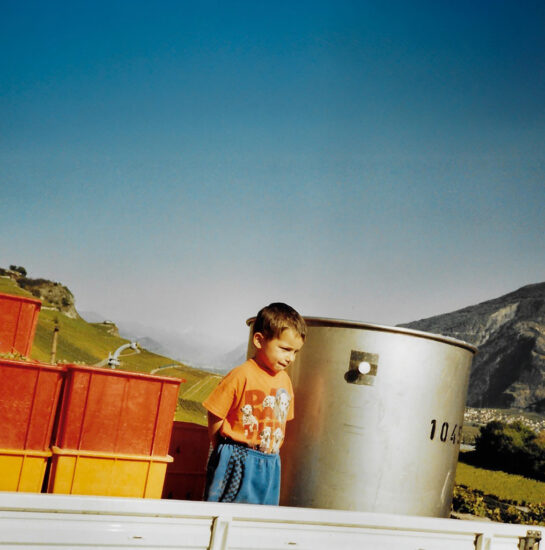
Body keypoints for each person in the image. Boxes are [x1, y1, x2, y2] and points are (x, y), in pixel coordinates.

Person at [202, 302, 306, 505]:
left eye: (295, 352)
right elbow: (215, 413)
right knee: (229, 514)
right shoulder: (242, 374)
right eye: (285, 349)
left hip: (270, 462)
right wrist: (221, 449)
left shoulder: (285, 381)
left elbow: (282, 421)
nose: (290, 358)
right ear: (259, 340)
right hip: (238, 458)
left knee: (260, 519)